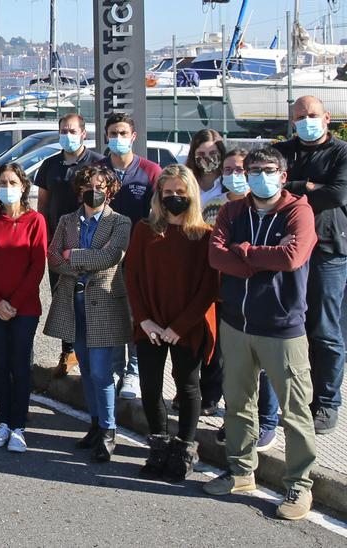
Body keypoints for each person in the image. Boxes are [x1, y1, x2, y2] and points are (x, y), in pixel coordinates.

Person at [203, 147, 319, 521]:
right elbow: (217, 257)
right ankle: (240, 472)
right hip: (236, 324)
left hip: (283, 328)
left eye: (267, 170)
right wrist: (257, 257)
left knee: (296, 412)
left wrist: (245, 252)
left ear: (282, 176)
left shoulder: (297, 211)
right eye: (253, 170)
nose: (258, 176)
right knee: (238, 404)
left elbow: (292, 257)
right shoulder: (231, 211)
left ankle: (299, 487)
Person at [124, 165, 219, 483]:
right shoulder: (144, 229)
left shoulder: (204, 235)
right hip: (150, 323)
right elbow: (132, 277)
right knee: (150, 387)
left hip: (187, 324)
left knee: (188, 386)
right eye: (168, 193)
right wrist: (145, 320)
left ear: (191, 194)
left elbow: (209, 287)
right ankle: (158, 446)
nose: (174, 198)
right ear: (159, 196)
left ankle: (184, 449)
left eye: (181, 192)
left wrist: (179, 326)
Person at [44, 165, 132, 463]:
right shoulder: (68, 221)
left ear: (109, 190)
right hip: (74, 303)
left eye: (101, 185)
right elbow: (54, 258)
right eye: (88, 185)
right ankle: (95, 425)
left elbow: (110, 258)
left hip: (105, 305)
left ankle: (109, 431)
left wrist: (74, 256)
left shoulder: (120, 223)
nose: (94, 190)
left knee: (101, 371)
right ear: (80, 190)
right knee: (86, 370)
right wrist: (78, 261)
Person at [274, 95, 347, 435]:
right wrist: (310, 188)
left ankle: (328, 402)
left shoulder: (341, 152)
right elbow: (268, 189)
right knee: (290, 327)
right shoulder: (283, 151)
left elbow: (337, 195)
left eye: (312, 115)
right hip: (285, 249)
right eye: (300, 116)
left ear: (327, 117)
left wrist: (293, 187)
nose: (306, 120)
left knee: (325, 329)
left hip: (327, 251)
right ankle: (296, 398)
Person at [203, 150, 282, 451]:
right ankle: (235, 420)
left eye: (240, 168)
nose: (235, 174)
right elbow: (213, 255)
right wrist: (249, 257)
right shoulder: (216, 207)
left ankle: (267, 421)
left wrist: (238, 253)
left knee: (263, 367)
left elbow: (281, 258)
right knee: (234, 367)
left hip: (265, 300)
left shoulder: (270, 210)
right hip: (226, 296)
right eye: (228, 169)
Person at [0, 164, 48, 453]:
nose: (8, 187)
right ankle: (4, 421)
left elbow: (37, 266)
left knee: (20, 365)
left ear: (23, 186)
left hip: (25, 307)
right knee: (0, 363)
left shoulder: (36, 220)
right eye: (2, 182)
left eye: (13, 181)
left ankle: (18, 426)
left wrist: (14, 303)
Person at [99, 113, 162, 401]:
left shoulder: (150, 171)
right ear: (106, 136)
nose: (118, 138)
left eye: (123, 133)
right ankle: (115, 369)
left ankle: (134, 372)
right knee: (111, 316)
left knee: (138, 315)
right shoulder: (97, 170)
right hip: (105, 257)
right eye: (113, 133)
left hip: (140, 258)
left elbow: (159, 216)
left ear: (133, 136)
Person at [33, 114, 102, 377]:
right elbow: (42, 204)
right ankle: (68, 352)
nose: (68, 135)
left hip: (89, 245)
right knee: (63, 301)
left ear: (83, 133)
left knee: (89, 300)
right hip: (58, 245)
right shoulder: (50, 165)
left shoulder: (96, 163)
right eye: (63, 130)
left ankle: (91, 353)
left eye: (72, 130)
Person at [184, 129, 229, 225]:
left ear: (221, 153)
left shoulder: (229, 182)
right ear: (193, 155)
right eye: (201, 154)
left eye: (213, 153)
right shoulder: (185, 181)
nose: (207, 158)